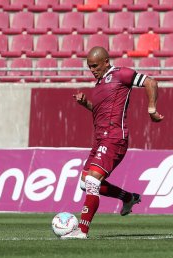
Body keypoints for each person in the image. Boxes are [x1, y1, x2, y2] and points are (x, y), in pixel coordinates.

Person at [62, 46, 164, 239]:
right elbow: (101, 112)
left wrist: (151, 108)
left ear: (106, 62)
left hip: (114, 137)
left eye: (95, 66)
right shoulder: (99, 84)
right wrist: (86, 105)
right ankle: (128, 198)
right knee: (85, 183)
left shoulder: (120, 74)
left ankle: (82, 231)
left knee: (92, 181)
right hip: (100, 138)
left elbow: (150, 81)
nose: (92, 70)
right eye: (89, 67)